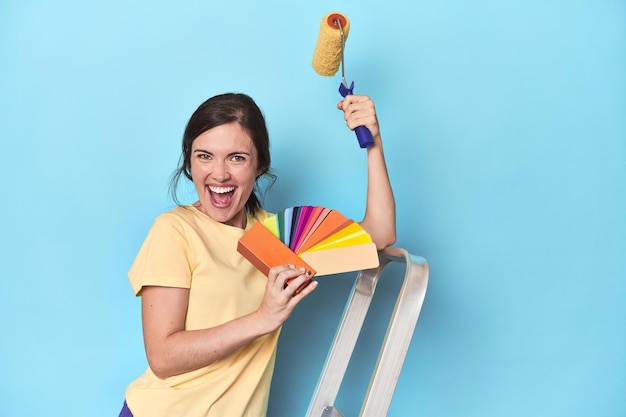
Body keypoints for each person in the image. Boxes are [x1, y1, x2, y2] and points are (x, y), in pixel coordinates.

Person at [118, 92, 396, 417]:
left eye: (236, 158)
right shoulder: (174, 231)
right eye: (205, 156)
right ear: (190, 163)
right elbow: (163, 358)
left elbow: (380, 233)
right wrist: (263, 319)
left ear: (260, 164)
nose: (219, 174)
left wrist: (373, 142)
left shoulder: (279, 238)